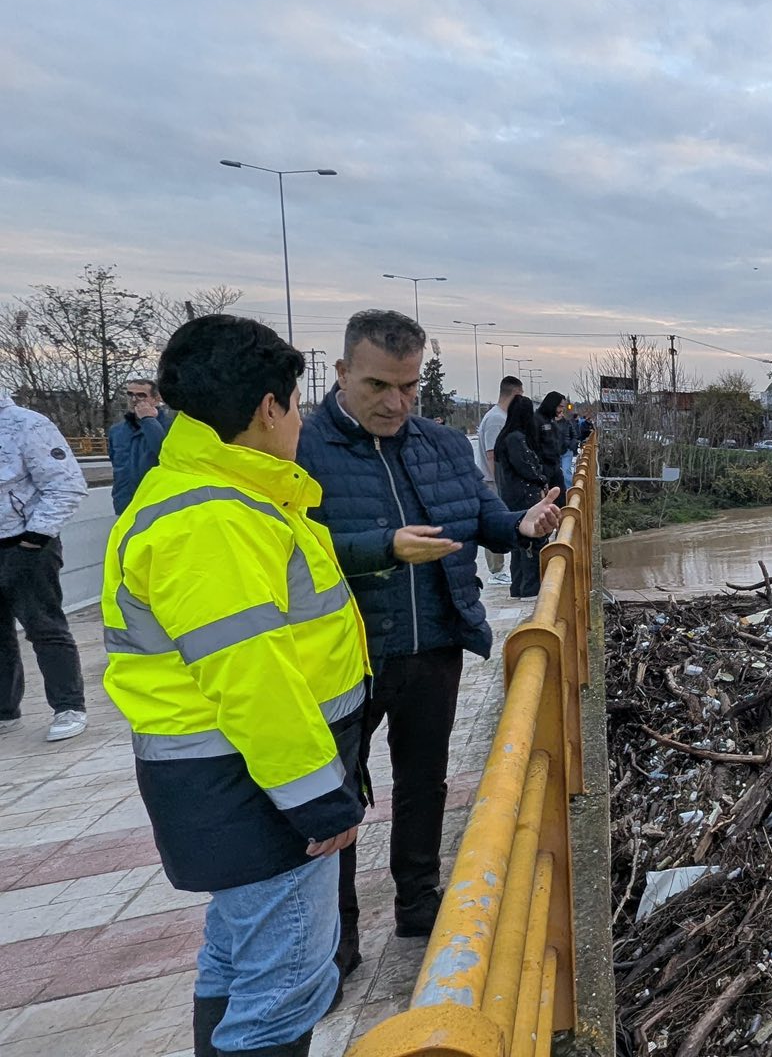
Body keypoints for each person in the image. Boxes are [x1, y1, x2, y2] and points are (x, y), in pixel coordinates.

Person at [101, 315, 368, 1057]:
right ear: (268, 408)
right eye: (298, 402)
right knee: (284, 991)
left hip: (234, 786)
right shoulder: (213, 518)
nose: (301, 420)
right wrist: (318, 799)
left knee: (236, 961)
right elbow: (253, 676)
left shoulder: (212, 493)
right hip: (252, 791)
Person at [296, 311, 560, 973]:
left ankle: (419, 902)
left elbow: (485, 520)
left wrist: (523, 525)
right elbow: (283, 554)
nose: (396, 403)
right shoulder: (300, 451)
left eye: (409, 386)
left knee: (423, 781)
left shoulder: (441, 444)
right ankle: (338, 941)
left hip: (434, 641)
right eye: (379, 385)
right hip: (342, 656)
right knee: (337, 801)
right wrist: (381, 549)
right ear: (341, 373)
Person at [0, 389, 88, 742]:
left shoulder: (27, 425)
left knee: (44, 627)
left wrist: (34, 539)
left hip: (27, 543)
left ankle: (69, 706)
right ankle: (5, 711)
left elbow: (66, 485)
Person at [493, 395, 550, 599]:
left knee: (519, 546)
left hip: (511, 497)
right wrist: (542, 479)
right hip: (524, 498)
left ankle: (518, 587)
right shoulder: (516, 439)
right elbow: (526, 467)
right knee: (531, 545)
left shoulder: (505, 437)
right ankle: (530, 589)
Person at [474, 377, 522, 586]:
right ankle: (496, 570)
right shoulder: (496, 419)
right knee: (493, 522)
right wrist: (501, 483)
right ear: (514, 395)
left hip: (496, 480)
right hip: (492, 481)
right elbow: (493, 454)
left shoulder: (500, 416)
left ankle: (499, 568)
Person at [110, 377, 176, 515]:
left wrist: (148, 420)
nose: (134, 400)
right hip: (125, 503)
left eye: (141, 395)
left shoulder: (171, 427)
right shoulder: (117, 431)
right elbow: (115, 463)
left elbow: (165, 454)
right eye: (130, 394)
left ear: (156, 399)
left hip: (157, 502)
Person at [536, 391, 570, 494]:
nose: (561, 410)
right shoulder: (537, 420)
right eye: (560, 406)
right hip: (544, 468)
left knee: (561, 500)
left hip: (555, 466)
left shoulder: (551, 421)